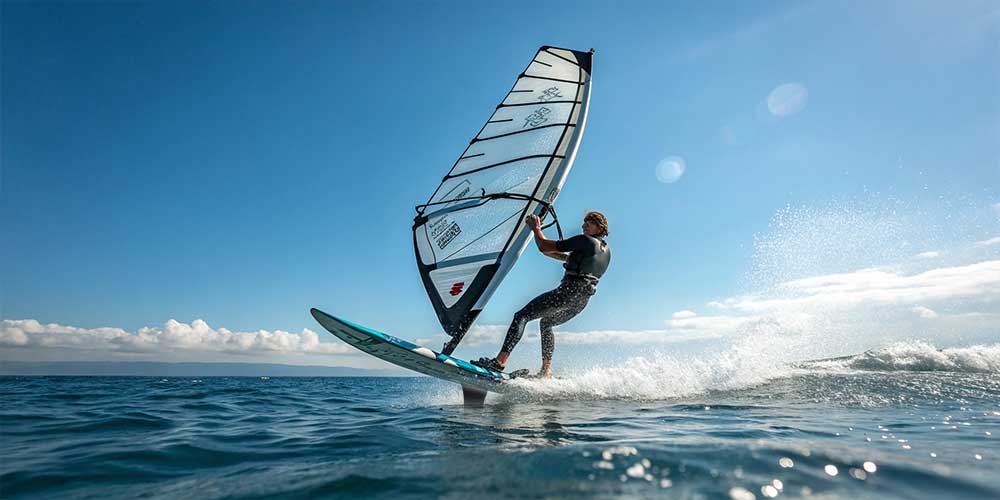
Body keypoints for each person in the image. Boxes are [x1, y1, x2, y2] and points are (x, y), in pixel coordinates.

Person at [471, 211, 611, 377]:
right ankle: (546, 370)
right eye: (584, 223)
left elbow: (543, 246)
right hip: (580, 302)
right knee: (546, 323)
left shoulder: (584, 240)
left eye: (588, 224)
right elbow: (561, 256)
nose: (583, 226)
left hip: (566, 294)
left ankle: (499, 362)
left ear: (599, 227)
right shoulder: (605, 251)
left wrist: (536, 228)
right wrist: (543, 242)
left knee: (521, 316)